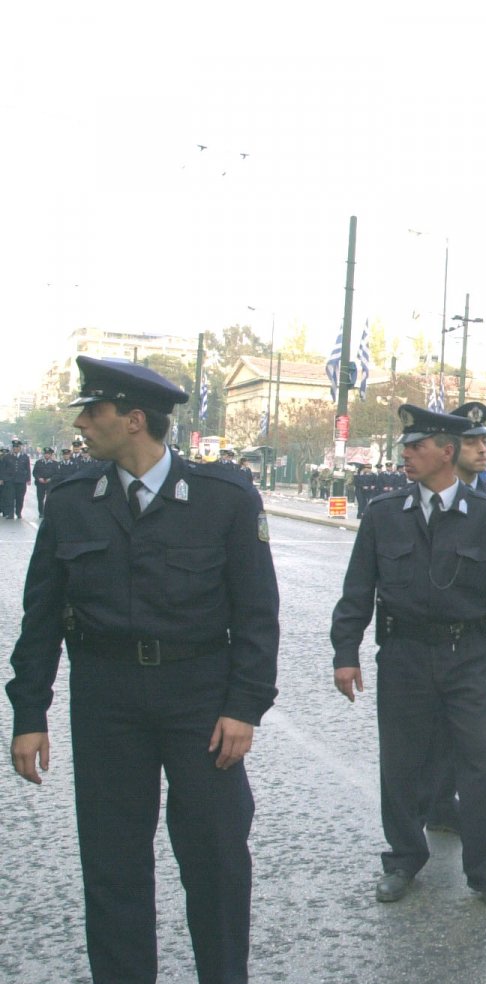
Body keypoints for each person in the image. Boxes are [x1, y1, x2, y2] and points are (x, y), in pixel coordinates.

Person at [7, 356, 279, 983]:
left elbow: (258, 616)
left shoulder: (224, 499)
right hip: (107, 700)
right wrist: (30, 713)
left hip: (202, 702)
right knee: (112, 864)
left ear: (134, 421)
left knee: (215, 858)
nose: (81, 422)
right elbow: (41, 617)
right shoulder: (72, 501)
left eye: (92, 410)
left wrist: (244, 707)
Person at [330, 404, 486, 911]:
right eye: (405, 446)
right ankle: (403, 859)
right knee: (401, 763)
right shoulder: (383, 514)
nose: (406, 454)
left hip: (467, 657)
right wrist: (345, 652)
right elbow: (357, 592)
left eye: (417, 446)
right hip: (403, 655)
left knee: (481, 764)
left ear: (446, 451)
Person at [424, 401, 486, 833]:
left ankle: (466, 815)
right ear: (450, 448)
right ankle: (438, 805)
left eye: (485, 441)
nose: (482, 449)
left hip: (475, 632)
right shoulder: (429, 497)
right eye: (472, 441)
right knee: (433, 730)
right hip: (430, 632)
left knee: (472, 734)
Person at [31, 446, 59, 518]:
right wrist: (38, 478)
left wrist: (51, 479)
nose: (47, 455)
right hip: (40, 483)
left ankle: (48, 512)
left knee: (49, 498)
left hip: (50, 483)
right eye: (46, 454)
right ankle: (41, 513)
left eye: (48, 454)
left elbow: (57, 474)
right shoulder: (38, 462)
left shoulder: (55, 463)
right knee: (40, 499)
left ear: (51, 455)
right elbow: (34, 472)